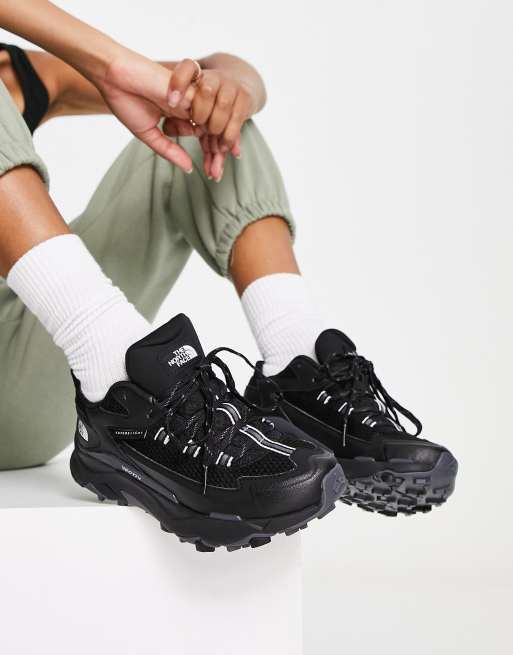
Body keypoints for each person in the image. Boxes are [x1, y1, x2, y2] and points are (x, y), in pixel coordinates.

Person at [0, 2, 457, 551]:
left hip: (24, 383)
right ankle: (120, 370)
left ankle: (295, 365)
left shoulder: (22, 73)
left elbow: (225, 70)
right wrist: (111, 60)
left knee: (202, 119)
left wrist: (230, 90)